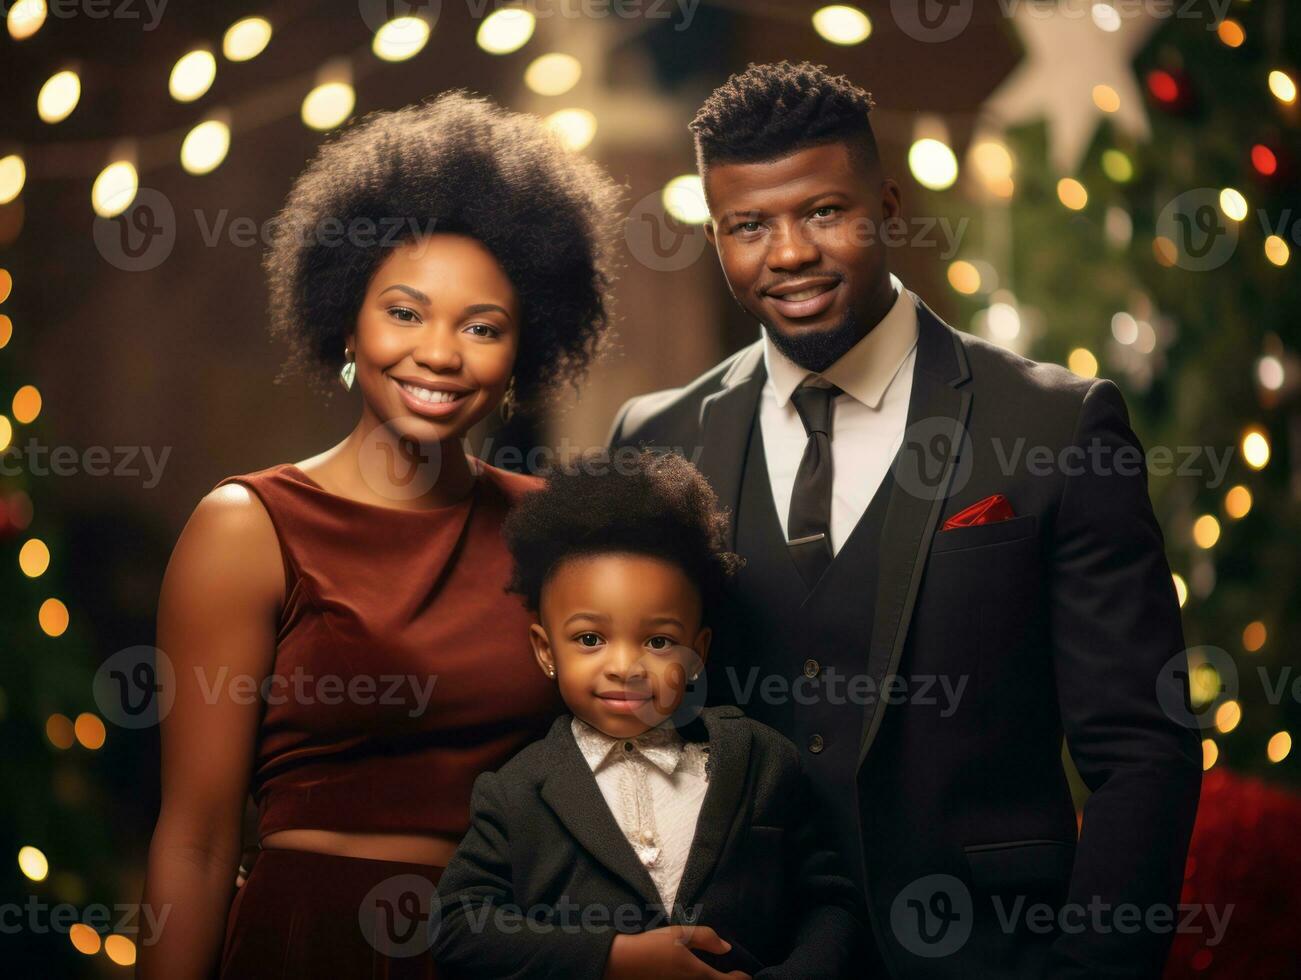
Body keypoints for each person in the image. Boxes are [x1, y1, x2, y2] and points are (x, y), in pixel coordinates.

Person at [608, 62, 1202, 978]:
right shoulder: (654, 439)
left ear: (887, 202)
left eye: (821, 212)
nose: (788, 253)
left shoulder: (1050, 423)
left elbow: (1140, 746)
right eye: (747, 226)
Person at [137, 90, 622, 979]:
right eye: (404, 312)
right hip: (308, 946)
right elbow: (198, 841)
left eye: (482, 328)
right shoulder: (248, 528)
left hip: (507, 951)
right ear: (346, 322)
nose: (438, 353)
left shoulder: (557, 528)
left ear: (524, 353)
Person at [432, 451, 864, 979]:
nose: (626, 667)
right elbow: (457, 927)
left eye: (658, 641)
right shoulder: (515, 792)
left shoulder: (760, 759)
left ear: (697, 651)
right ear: (546, 651)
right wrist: (613, 958)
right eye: (590, 639)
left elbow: (830, 904)